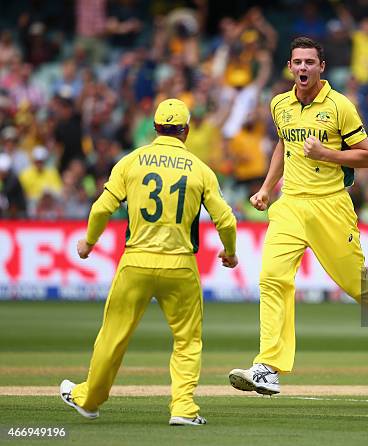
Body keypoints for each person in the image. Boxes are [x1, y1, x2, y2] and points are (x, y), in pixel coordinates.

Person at [228, 37, 368, 396]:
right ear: (290, 67)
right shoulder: (279, 104)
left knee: (357, 285)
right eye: (297, 62)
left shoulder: (341, 106)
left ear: (321, 66)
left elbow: (367, 157)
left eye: (310, 62)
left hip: (330, 205)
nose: (303, 68)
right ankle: (268, 367)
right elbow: (283, 145)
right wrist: (266, 188)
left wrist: (326, 153)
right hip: (290, 204)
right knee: (272, 279)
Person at [59, 98, 238, 425]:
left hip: (136, 262)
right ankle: (183, 409)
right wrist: (230, 251)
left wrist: (88, 242)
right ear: (186, 131)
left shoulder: (131, 162)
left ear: (155, 129)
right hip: (180, 265)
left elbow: (101, 209)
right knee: (187, 340)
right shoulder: (200, 169)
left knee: (113, 335)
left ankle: (89, 399)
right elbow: (226, 220)